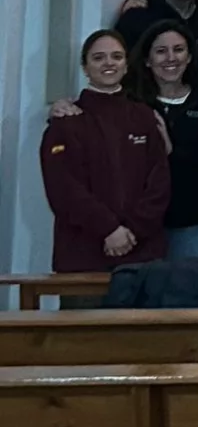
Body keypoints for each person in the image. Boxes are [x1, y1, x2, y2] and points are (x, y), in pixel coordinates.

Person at [41, 30, 169, 274]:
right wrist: (109, 229)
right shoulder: (66, 122)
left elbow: (159, 182)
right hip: (82, 257)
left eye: (117, 56)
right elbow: (63, 189)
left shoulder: (144, 116)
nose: (109, 63)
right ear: (85, 67)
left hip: (143, 256)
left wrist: (131, 231)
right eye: (99, 58)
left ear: (126, 64)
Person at [128, 24, 198, 260]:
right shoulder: (132, 103)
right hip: (140, 220)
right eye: (161, 51)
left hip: (193, 218)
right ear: (147, 60)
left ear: (189, 57)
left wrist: (171, 151)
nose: (171, 58)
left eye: (178, 50)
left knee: (186, 291)